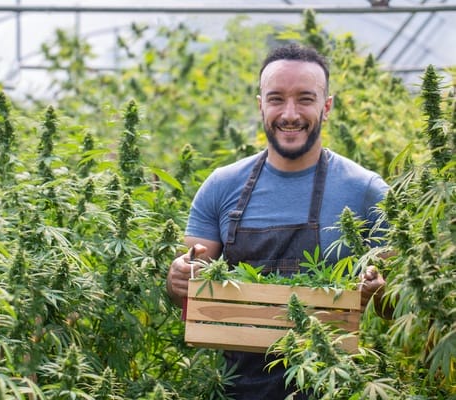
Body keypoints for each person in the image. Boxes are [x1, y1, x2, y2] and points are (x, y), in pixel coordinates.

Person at [166, 43, 390, 399]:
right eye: (276, 99)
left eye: (305, 99)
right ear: (260, 106)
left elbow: (400, 309)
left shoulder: (366, 191)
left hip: (337, 387)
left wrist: (379, 293)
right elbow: (190, 295)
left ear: (326, 106)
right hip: (237, 388)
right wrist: (177, 278)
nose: (289, 113)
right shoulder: (222, 186)